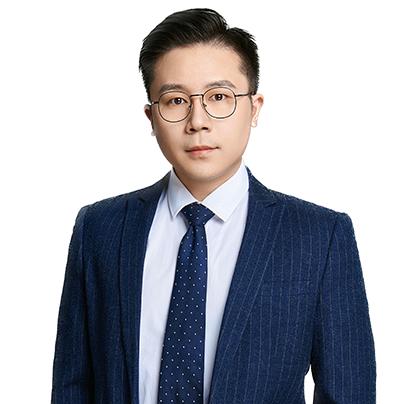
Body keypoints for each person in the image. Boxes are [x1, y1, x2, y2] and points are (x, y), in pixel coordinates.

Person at [51, 9, 376, 404]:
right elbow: (70, 386)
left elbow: (348, 394)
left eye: (219, 97)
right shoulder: (99, 228)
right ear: (151, 117)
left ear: (255, 109)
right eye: (175, 101)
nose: (198, 121)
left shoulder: (320, 237)